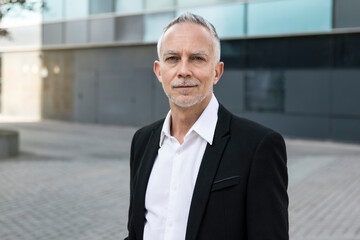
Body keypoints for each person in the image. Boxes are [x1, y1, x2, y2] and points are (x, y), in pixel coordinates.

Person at [125, 12, 288, 240]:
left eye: (197, 58)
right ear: (159, 71)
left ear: (217, 72)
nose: (183, 70)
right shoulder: (142, 141)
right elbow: (136, 233)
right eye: (172, 58)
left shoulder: (258, 147)